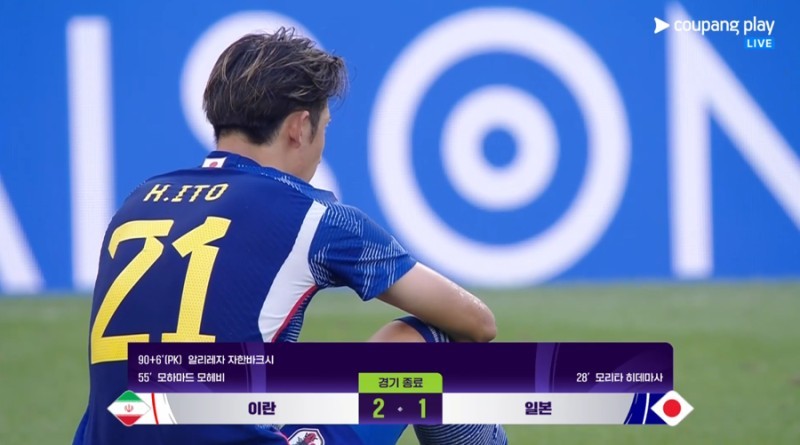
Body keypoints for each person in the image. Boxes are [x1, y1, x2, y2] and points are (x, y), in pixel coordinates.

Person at [73, 28, 506, 444]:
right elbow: (478, 323)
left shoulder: (137, 201)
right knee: (430, 344)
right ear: (299, 127)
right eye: (325, 126)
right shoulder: (312, 215)